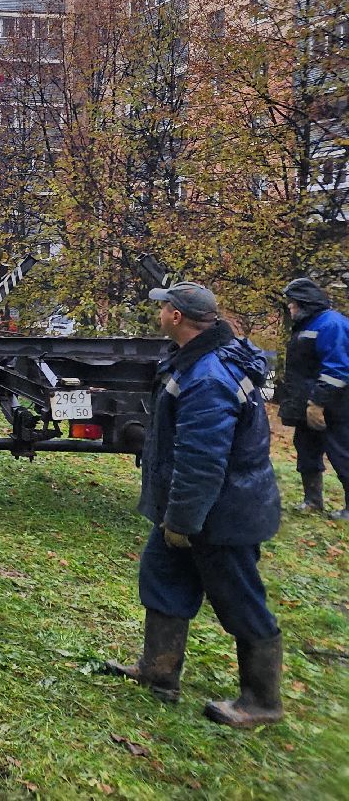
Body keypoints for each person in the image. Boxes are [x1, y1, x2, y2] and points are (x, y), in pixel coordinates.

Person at [105, 281, 283, 728]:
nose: (159, 313)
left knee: (240, 600)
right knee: (162, 577)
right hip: (189, 509)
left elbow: (202, 460)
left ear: (177, 317)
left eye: (163, 307)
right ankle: (159, 672)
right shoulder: (197, 359)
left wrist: (183, 520)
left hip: (220, 514)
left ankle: (262, 701)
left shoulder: (208, 377)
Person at [278, 277, 349, 519]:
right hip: (306, 405)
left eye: (293, 302)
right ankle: (312, 501)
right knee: (306, 451)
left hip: (335, 407)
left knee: (342, 453)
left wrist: (318, 403)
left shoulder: (331, 325)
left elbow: (337, 369)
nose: (290, 307)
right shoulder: (308, 324)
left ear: (305, 302)